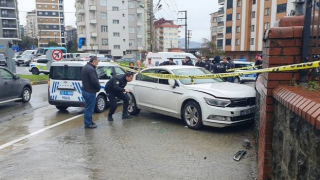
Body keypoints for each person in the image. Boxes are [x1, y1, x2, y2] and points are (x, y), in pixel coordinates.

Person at [81, 56, 101, 129]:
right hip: (90, 91)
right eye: (97, 62)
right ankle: (88, 124)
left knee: (88, 107)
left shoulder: (86, 67)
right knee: (89, 108)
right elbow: (94, 81)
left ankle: (90, 121)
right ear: (94, 61)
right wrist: (98, 87)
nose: (97, 64)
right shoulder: (91, 69)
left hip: (86, 90)